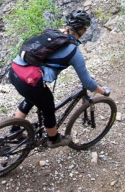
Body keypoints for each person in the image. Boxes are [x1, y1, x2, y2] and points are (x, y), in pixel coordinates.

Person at [8, 9, 110, 148]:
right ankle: (54, 139)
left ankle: (15, 130)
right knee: (48, 107)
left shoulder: (54, 34)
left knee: (32, 98)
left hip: (15, 70)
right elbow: (87, 83)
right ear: (82, 30)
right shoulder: (74, 52)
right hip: (28, 80)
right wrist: (103, 92)